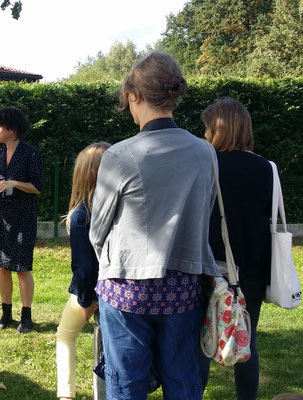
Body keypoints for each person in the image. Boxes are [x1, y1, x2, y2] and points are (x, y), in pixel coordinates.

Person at [88, 52, 219, 399]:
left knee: (126, 384)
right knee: (182, 381)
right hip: (184, 287)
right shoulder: (205, 152)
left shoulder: (118, 155)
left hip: (126, 287)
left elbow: (97, 230)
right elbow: (204, 214)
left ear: (134, 95)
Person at [198, 97, 272, 400]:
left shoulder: (206, 164)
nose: (203, 135)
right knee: (247, 338)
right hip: (252, 268)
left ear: (218, 129)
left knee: (200, 341)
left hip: (209, 265)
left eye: (206, 128)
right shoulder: (266, 168)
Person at [0, 107, 43, 334]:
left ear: (11, 129)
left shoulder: (30, 153)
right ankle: (5, 315)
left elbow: (37, 187)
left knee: (22, 268)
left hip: (23, 217)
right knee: (3, 267)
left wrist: (14, 183)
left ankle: (26, 317)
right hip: (1, 217)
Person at [55, 142, 109, 399]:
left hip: (92, 292)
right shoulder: (119, 208)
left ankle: (66, 394)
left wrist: (86, 299)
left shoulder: (81, 215)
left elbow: (83, 266)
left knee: (65, 336)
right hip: (117, 288)